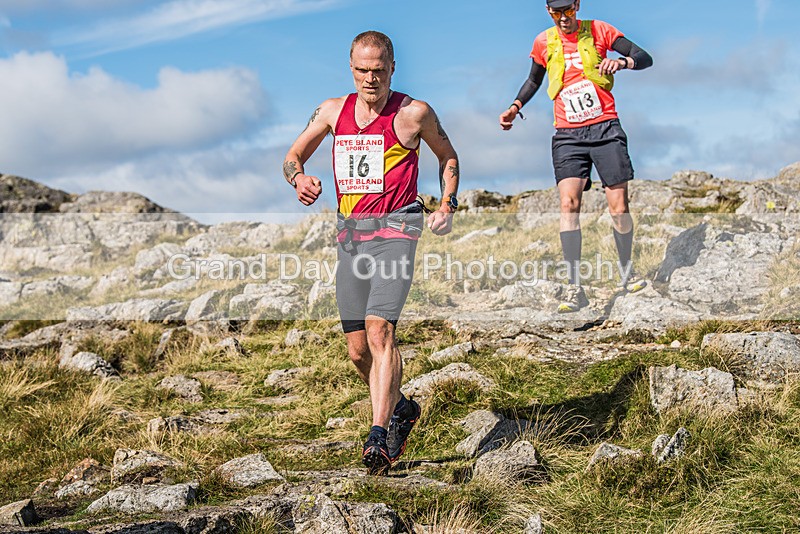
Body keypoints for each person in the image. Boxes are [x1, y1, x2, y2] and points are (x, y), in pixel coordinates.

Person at [282, 31, 460, 475]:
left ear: (393, 68)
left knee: (381, 333)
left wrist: (447, 204)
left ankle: (378, 436)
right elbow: (293, 155)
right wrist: (298, 178)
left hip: (398, 230)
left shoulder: (414, 113)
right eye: (362, 70)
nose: (370, 79)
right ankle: (400, 407)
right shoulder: (331, 111)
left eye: (378, 70)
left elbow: (448, 157)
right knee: (359, 350)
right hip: (351, 238)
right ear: (351, 68)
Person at [500, 0, 653, 313]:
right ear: (548, 11)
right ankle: (575, 288)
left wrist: (621, 63)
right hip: (568, 135)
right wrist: (515, 107)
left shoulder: (599, 30)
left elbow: (644, 57)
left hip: (605, 128)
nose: (563, 17)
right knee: (568, 203)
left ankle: (626, 272)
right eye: (556, 12)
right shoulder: (544, 41)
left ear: (577, 5)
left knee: (618, 206)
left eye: (567, 9)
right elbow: (534, 80)